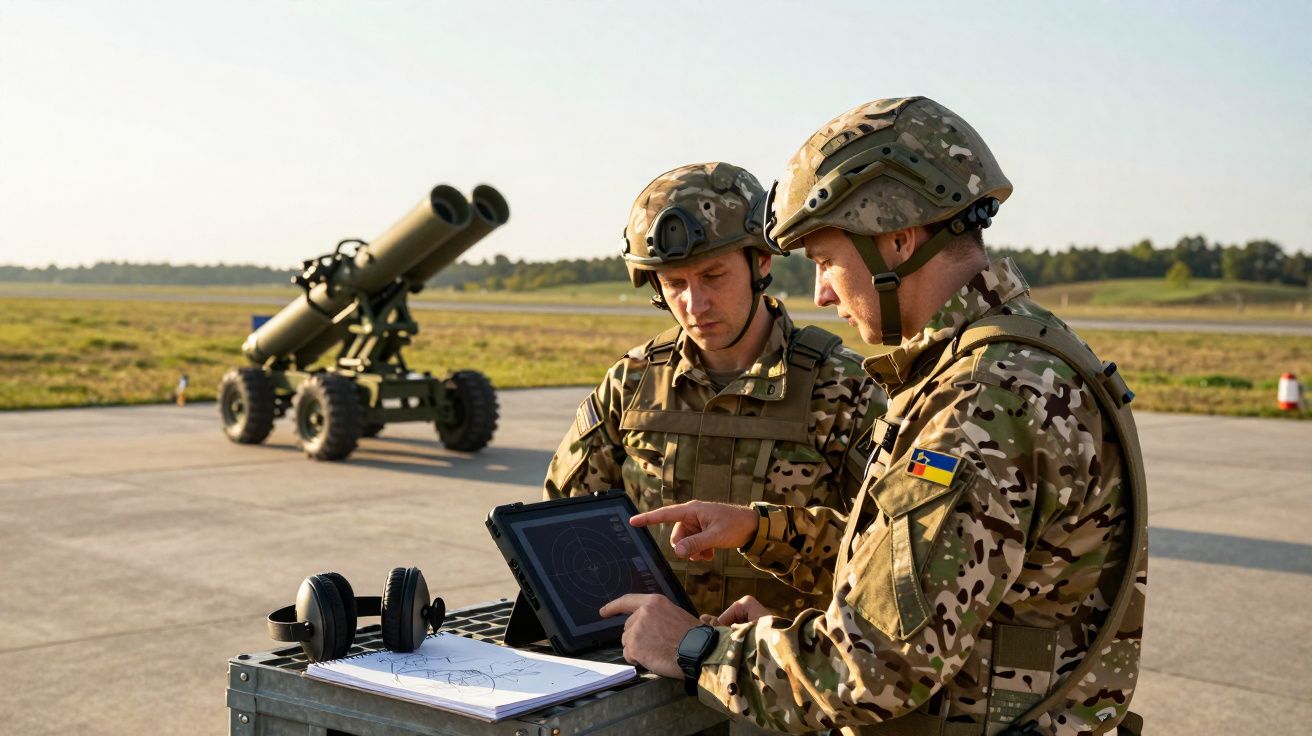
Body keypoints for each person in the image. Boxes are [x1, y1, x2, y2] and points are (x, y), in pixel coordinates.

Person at [600, 98, 1148, 735]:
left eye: (827, 260)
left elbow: (873, 672)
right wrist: (761, 531)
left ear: (897, 237)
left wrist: (694, 648)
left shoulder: (980, 401)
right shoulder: (1022, 356)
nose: (821, 293)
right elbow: (921, 571)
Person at [545, 161, 885, 618]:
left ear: (761, 262)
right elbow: (565, 529)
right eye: (674, 284)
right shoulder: (631, 383)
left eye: (713, 276)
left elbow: (889, 553)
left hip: (783, 670)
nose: (695, 304)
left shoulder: (845, 389)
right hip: (642, 664)